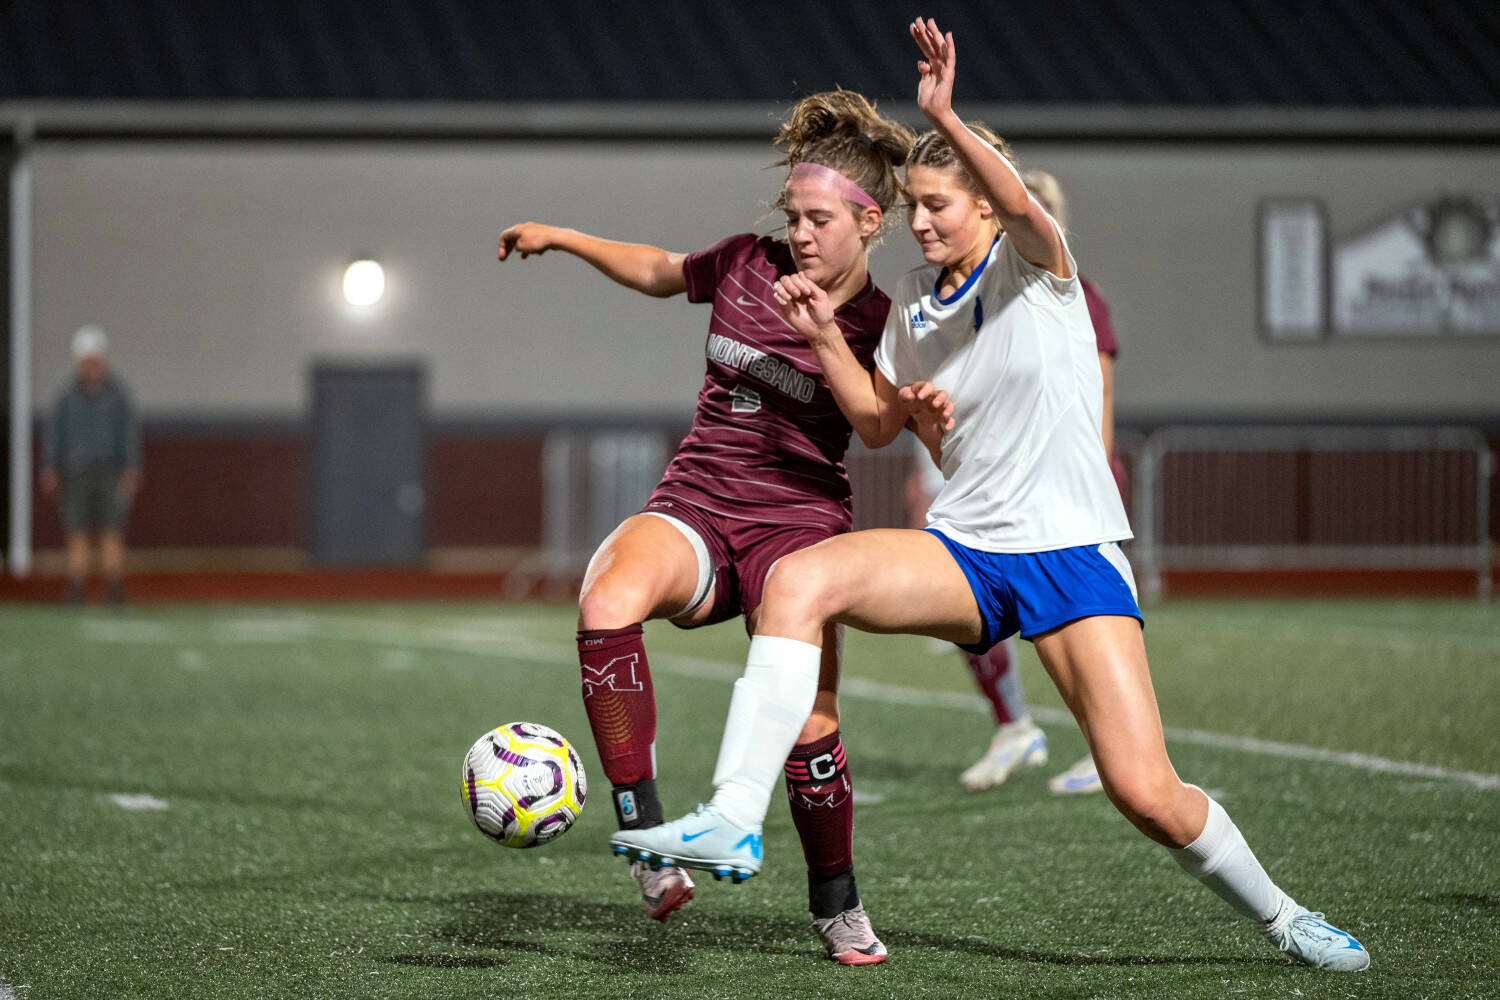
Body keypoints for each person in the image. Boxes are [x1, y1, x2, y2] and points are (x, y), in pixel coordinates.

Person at [611, 19, 1371, 973]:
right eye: (914, 207)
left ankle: (1282, 916)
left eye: (938, 205)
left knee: (1144, 790)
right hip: (967, 550)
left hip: (1071, 558)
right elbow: (877, 419)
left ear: (980, 202)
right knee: (796, 581)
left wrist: (943, 115)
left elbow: (1014, 197)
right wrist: (828, 341)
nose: (922, 222)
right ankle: (732, 815)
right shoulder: (912, 314)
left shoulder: (1038, 271)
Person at [495, 90, 912, 965]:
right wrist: (563, 237)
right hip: (699, 500)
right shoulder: (745, 264)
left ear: (869, 222)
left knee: (810, 724)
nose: (799, 232)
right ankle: (649, 845)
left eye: (820, 219)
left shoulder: (886, 321)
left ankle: (836, 904)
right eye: (793, 215)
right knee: (606, 594)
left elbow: (877, 427)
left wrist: (828, 336)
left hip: (799, 526)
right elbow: (657, 268)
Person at [945, 169, 1126, 796]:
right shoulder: (980, 296)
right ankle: (1014, 724)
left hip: (1067, 489)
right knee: (966, 613)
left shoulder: (1069, 289)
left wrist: (1094, 473)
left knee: (1078, 630)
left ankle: (1112, 747)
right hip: (1003, 487)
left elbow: (1097, 388)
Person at [40, 326, 142, 605]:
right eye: (86, 361)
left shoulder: (118, 395)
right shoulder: (66, 397)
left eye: (95, 361)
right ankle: (76, 587)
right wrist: (51, 467)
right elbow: (55, 433)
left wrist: (132, 467)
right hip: (76, 471)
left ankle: (114, 587)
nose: (91, 367)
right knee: (77, 530)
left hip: (110, 470)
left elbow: (128, 432)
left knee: (112, 529)